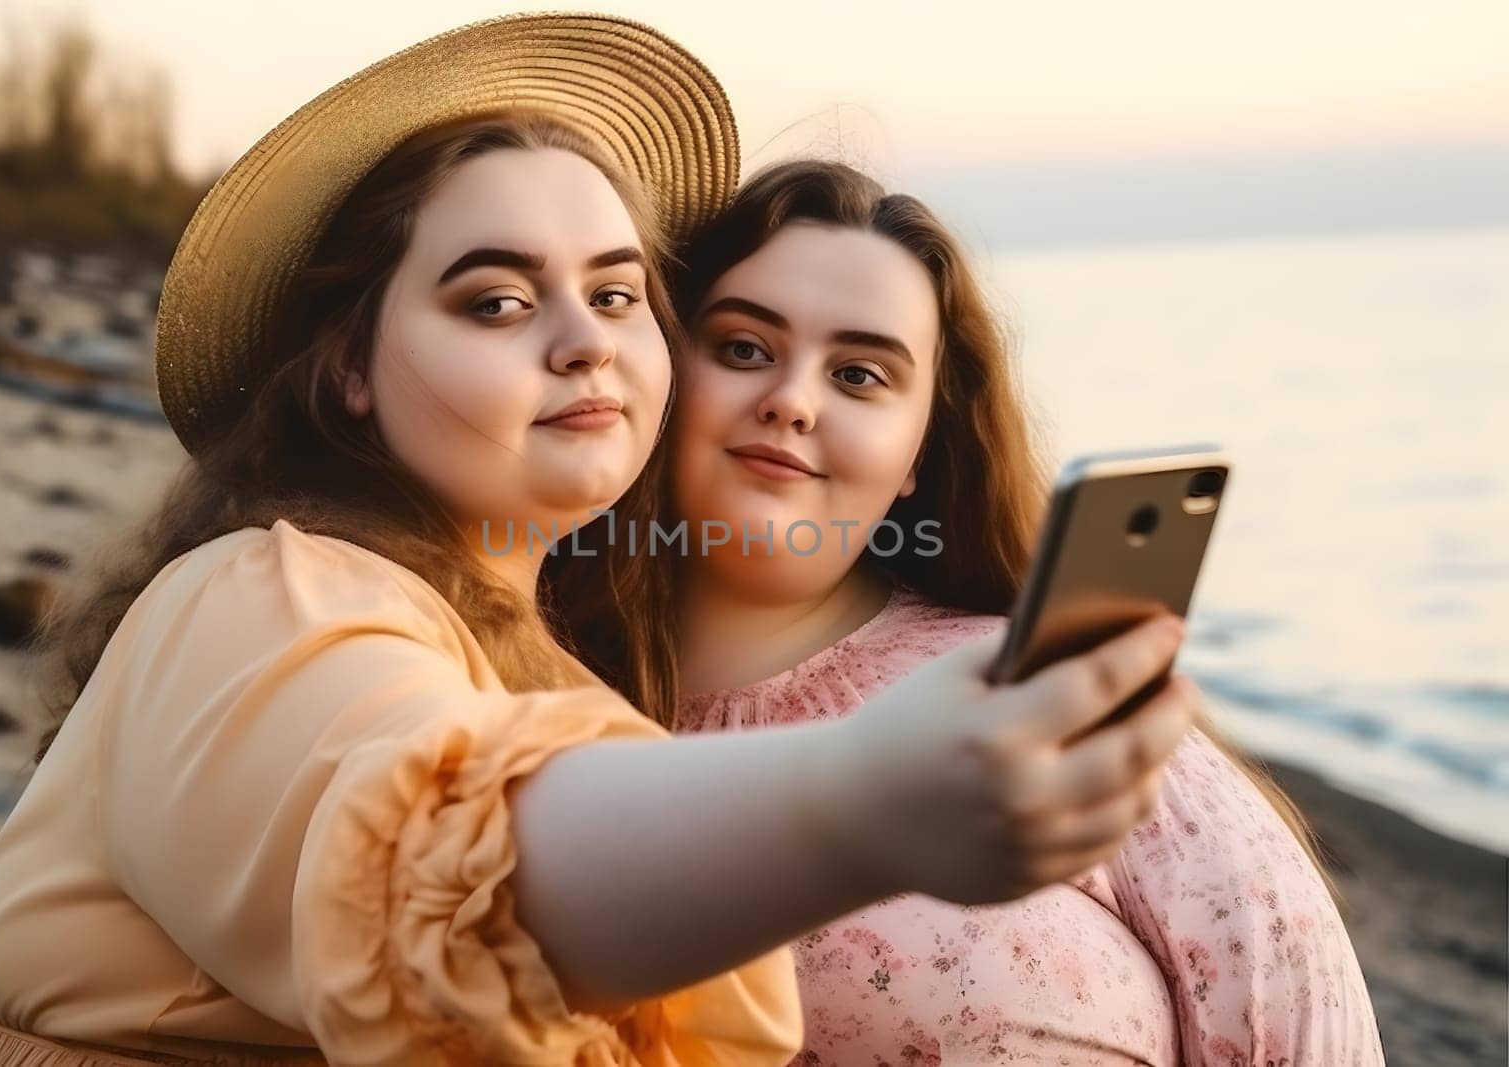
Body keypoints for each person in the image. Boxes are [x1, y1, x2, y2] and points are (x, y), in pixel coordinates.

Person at [0, 16, 1199, 1066]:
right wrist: (866, 794)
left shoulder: (556, 670)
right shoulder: (257, 594)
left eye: (619, 290)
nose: (583, 336)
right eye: (498, 298)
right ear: (350, 366)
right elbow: (443, 856)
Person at [556, 160, 1387, 1064]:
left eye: (861, 375)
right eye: (745, 349)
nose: (791, 401)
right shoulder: (531, 709)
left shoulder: (1030, 690)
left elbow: (1301, 1024)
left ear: (919, 452)